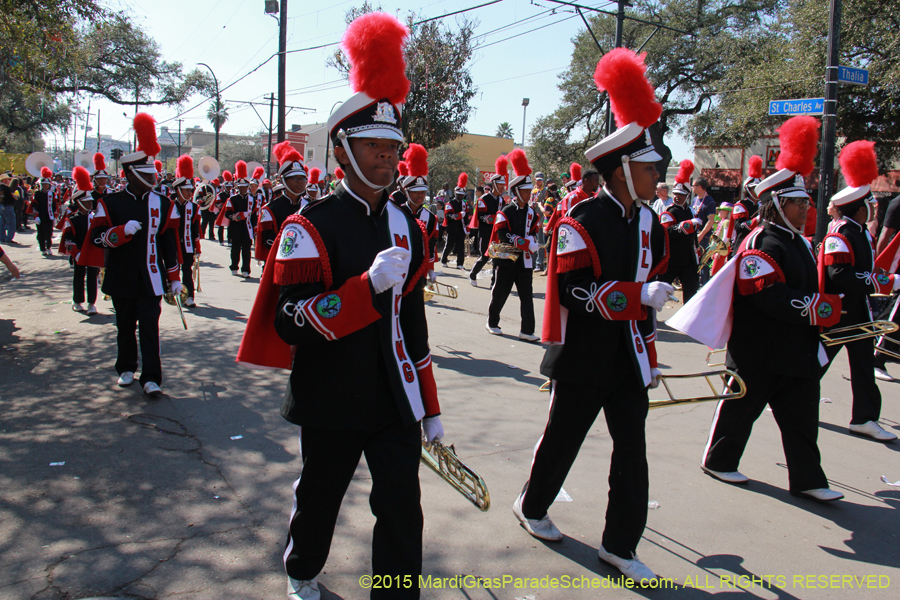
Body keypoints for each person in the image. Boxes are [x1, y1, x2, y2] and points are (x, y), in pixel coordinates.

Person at [236, 13, 443, 599]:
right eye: (373, 146)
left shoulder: (410, 225)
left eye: (392, 147)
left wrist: (429, 403)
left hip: (396, 395)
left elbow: (414, 322)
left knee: (403, 509)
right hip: (331, 395)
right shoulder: (308, 227)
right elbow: (289, 320)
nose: (387, 157)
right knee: (321, 497)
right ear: (344, 153)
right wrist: (362, 290)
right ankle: (302, 572)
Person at [527, 48, 671, 585]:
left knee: (632, 451)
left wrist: (649, 326)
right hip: (585, 354)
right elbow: (577, 292)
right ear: (622, 171)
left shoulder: (651, 222)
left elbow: (652, 273)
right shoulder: (579, 219)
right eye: (648, 168)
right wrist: (638, 297)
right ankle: (533, 505)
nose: (657, 175)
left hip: (629, 355)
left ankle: (619, 544)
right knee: (564, 438)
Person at [673, 116, 846, 502]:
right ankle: (719, 461)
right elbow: (766, 293)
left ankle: (808, 479)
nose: (806, 209)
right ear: (779, 206)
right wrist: (816, 307)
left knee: (802, 420)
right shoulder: (762, 243)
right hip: (758, 351)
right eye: (798, 203)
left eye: (806, 202)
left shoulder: (798, 242)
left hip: (795, 351)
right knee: (739, 413)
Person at [83, 113, 182, 397]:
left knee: (150, 327)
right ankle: (126, 368)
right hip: (121, 276)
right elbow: (97, 239)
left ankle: (151, 377)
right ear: (130, 174)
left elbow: (169, 243)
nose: (153, 178)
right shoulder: (109, 203)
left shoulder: (163, 204)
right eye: (147, 174)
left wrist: (174, 277)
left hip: (152, 278)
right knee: (125, 326)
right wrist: (120, 232)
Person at [819, 140, 898, 442]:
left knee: (861, 364)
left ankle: (864, 417)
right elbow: (839, 274)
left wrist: (883, 278)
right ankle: (789, 396)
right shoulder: (841, 232)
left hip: (856, 309)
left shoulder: (859, 231)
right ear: (860, 206)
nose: (875, 206)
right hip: (842, 309)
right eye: (871, 203)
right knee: (820, 358)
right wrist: (886, 283)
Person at [485, 149, 541, 341]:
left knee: (527, 296)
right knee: (501, 292)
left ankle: (527, 330)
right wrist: (525, 243)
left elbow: (533, 229)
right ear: (516, 191)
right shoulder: (506, 211)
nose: (528, 194)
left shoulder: (533, 213)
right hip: (506, 257)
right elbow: (503, 234)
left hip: (524, 261)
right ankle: (492, 322)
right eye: (525, 191)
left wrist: (533, 240)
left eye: (529, 191)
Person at [255, 142, 308, 263]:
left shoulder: (310, 206)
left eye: (302, 178)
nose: (300, 182)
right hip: (278, 261)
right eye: (295, 178)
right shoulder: (269, 209)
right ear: (283, 181)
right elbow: (268, 240)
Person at [59, 166, 100, 314]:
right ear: (80, 203)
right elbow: (68, 239)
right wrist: (75, 253)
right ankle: (77, 301)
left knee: (92, 278)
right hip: (79, 253)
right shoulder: (72, 220)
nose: (91, 204)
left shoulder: (95, 217)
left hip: (93, 252)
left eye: (91, 202)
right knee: (78, 276)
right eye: (87, 202)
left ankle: (92, 303)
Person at [658, 160, 701, 302]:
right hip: (672, 258)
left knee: (691, 289)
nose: (677, 196)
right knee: (661, 288)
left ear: (688, 195)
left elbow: (692, 236)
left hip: (688, 258)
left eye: (681, 194)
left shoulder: (690, 211)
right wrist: (687, 225)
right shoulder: (669, 211)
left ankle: (688, 320)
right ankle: (650, 316)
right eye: (676, 193)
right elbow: (667, 232)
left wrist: (696, 248)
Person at [873, 191, 900, 380]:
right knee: (897, 312)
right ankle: (876, 359)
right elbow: (885, 233)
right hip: (898, 266)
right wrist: (879, 268)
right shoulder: (897, 203)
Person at [468, 155, 507, 287]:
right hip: (485, 233)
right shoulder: (483, 199)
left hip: (497, 234)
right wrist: (496, 217)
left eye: (503, 185)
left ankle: (493, 283)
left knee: (497, 258)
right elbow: (482, 218)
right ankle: (473, 274)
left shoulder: (502, 200)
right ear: (494, 184)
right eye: (500, 185)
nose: (502, 187)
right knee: (485, 257)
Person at [401, 144, 439, 277]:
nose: (421, 195)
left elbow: (431, 244)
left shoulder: (431, 218)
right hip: (399, 268)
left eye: (423, 192)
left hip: (420, 270)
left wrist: (431, 268)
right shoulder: (397, 212)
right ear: (407, 192)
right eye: (416, 192)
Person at [171, 155, 201, 307]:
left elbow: (196, 228)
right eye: (186, 190)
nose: (190, 193)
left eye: (190, 190)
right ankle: (173, 294)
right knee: (173, 270)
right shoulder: (169, 205)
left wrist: (198, 247)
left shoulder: (194, 207)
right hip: (172, 244)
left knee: (187, 271)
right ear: (178, 190)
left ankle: (189, 296)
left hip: (188, 245)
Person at [224, 162, 254, 277]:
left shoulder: (252, 199)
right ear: (238, 187)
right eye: (241, 187)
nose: (243, 189)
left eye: (245, 187)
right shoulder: (232, 199)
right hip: (235, 228)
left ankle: (246, 270)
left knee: (246, 250)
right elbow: (227, 213)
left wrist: (255, 228)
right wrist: (236, 216)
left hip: (247, 228)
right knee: (235, 249)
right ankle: (234, 267)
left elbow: (255, 215)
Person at [732, 155, 763, 252]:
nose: (758, 191)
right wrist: (756, 220)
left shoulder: (761, 205)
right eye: (755, 189)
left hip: (756, 245)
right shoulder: (741, 205)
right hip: (742, 245)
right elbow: (739, 227)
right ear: (748, 189)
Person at [692, 177, 717, 284]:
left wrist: (701, 235)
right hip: (694, 235)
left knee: (704, 261)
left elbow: (711, 221)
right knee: (694, 260)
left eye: (693, 186)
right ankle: (695, 281)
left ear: (699, 187)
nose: (692, 188)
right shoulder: (694, 200)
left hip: (704, 236)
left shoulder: (709, 202)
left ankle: (704, 283)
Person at [440, 174, 467, 269]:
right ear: (455, 194)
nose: (460, 196)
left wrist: (467, 227)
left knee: (461, 247)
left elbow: (466, 217)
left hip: (461, 229)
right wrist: (459, 215)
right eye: (459, 194)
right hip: (452, 228)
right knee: (449, 246)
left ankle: (460, 264)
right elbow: (448, 216)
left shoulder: (464, 204)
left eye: (462, 195)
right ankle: (443, 260)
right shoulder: (450, 203)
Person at [33, 170, 56, 255]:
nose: (45, 186)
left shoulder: (52, 194)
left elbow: (54, 206)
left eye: (46, 184)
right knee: (41, 233)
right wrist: (36, 216)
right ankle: (43, 248)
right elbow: (34, 205)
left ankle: (49, 247)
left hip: (49, 216)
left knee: (49, 232)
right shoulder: (37, 194)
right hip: (41, 216)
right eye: (43, 184)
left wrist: (55, 217)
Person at [0, 173, 16, 243]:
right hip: (7, 206)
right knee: (11, 223)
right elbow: (10, 198)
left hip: (1, 206)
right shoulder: (6, 188)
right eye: (7, 179)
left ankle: (2, 237)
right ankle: (9, 238)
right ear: (4, 180)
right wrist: (15, 198)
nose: (9, 181)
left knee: (2, 223)